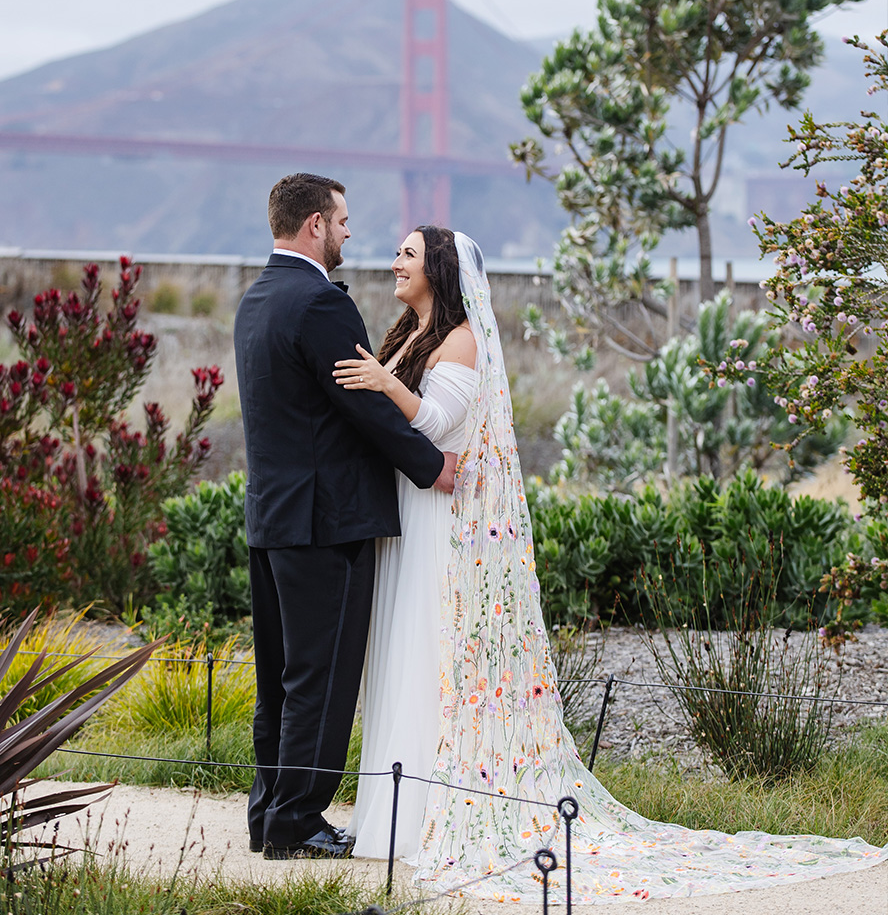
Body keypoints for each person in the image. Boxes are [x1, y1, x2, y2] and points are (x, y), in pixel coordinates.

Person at [334, 226, 887, 902]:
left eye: (409, 254)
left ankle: (428, 812)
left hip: (439, 524)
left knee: (433, 654)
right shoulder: (412, 335)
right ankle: (394, 815)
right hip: (410, 513)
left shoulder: (461, 340)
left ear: (439, 269)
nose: (395, 262)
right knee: (403, 653)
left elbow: (435, 425)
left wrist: (382, 386)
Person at [233, 174, 456, 861]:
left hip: (273, 520)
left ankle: (268, 813)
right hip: (325, 525)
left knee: (278, 677)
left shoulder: (257, 300)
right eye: (343, 221)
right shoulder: (320, 304)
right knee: (320, 680)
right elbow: (360, 406)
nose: (350, 233)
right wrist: (431, 466)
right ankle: (297, 822)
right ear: (313, 227)